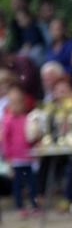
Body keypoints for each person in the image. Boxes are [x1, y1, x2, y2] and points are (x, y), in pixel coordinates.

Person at [1, 84, 39, 217]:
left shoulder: (28, 119)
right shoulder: (8, 121)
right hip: (16, 159)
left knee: (32, 183)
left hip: (28, 157)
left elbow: (32, 137)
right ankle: (19, 206)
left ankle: (34, 205)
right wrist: (8, 156)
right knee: (18, 184)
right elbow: (5, 140)